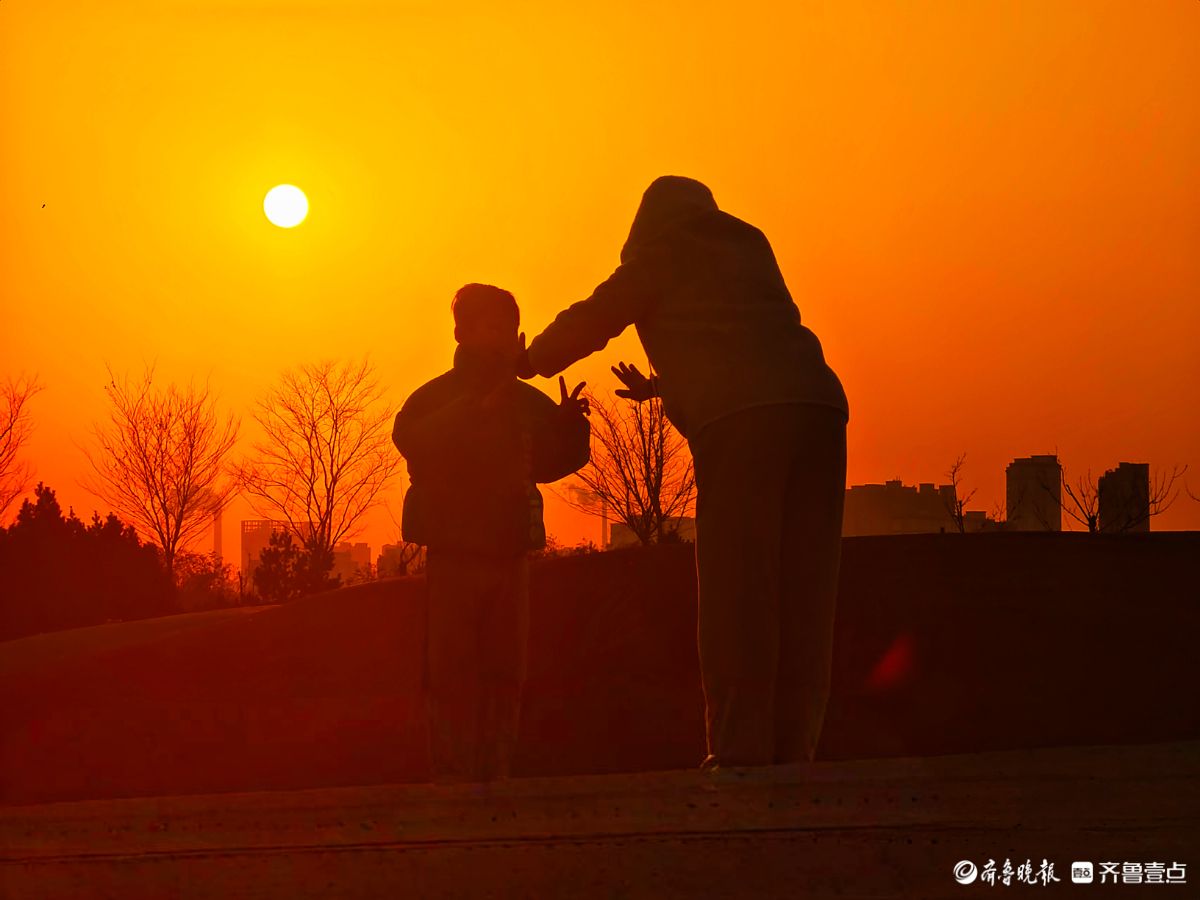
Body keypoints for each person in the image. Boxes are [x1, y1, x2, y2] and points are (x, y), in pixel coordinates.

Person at [516, 176, 849, 769]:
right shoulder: (749, 245)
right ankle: (795, 749)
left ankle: (741, 750)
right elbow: (746, 340)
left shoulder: (662, 252)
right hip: (819, 409)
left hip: (742, 422)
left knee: (737, 588)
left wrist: (532, 358)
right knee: (806, 589)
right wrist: (665, 385)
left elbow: (598, 314)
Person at [392, 283, 591, 782]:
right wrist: (474, 411)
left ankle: (497, 773)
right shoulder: (434, 397)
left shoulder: (526, 401)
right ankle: (452, 776)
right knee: (450, 673)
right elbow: (410, 440)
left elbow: (552, 462)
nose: (502, 337)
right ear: (461, 332)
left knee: (506, 673)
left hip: (510, 552)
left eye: (508, 327)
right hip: (453, 555)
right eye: (491, 326)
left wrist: (571, 427)